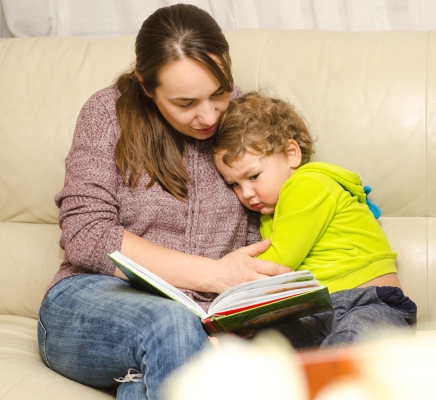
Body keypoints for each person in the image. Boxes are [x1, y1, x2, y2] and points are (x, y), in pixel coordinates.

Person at [37, 5, 289, 399]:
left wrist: (241, 317)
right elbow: (87, 235)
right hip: (91, 302)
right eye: (186, 103)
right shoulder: (108, 113)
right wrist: (213, 276)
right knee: (171, 324)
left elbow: (272, 221)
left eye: (219, 93)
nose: (209, 116)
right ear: (146, 85)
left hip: (207, 316)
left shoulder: (246, 118)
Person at [212, 92, 417, 349]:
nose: (246, 193)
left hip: (370, 304)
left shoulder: (307, 184)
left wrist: (226, 286)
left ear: (291, 154)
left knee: (346, 349)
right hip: (317, 313)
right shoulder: (269, 214)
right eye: (234, 184)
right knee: (258, 350)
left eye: (253, 176)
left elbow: (278, 262)